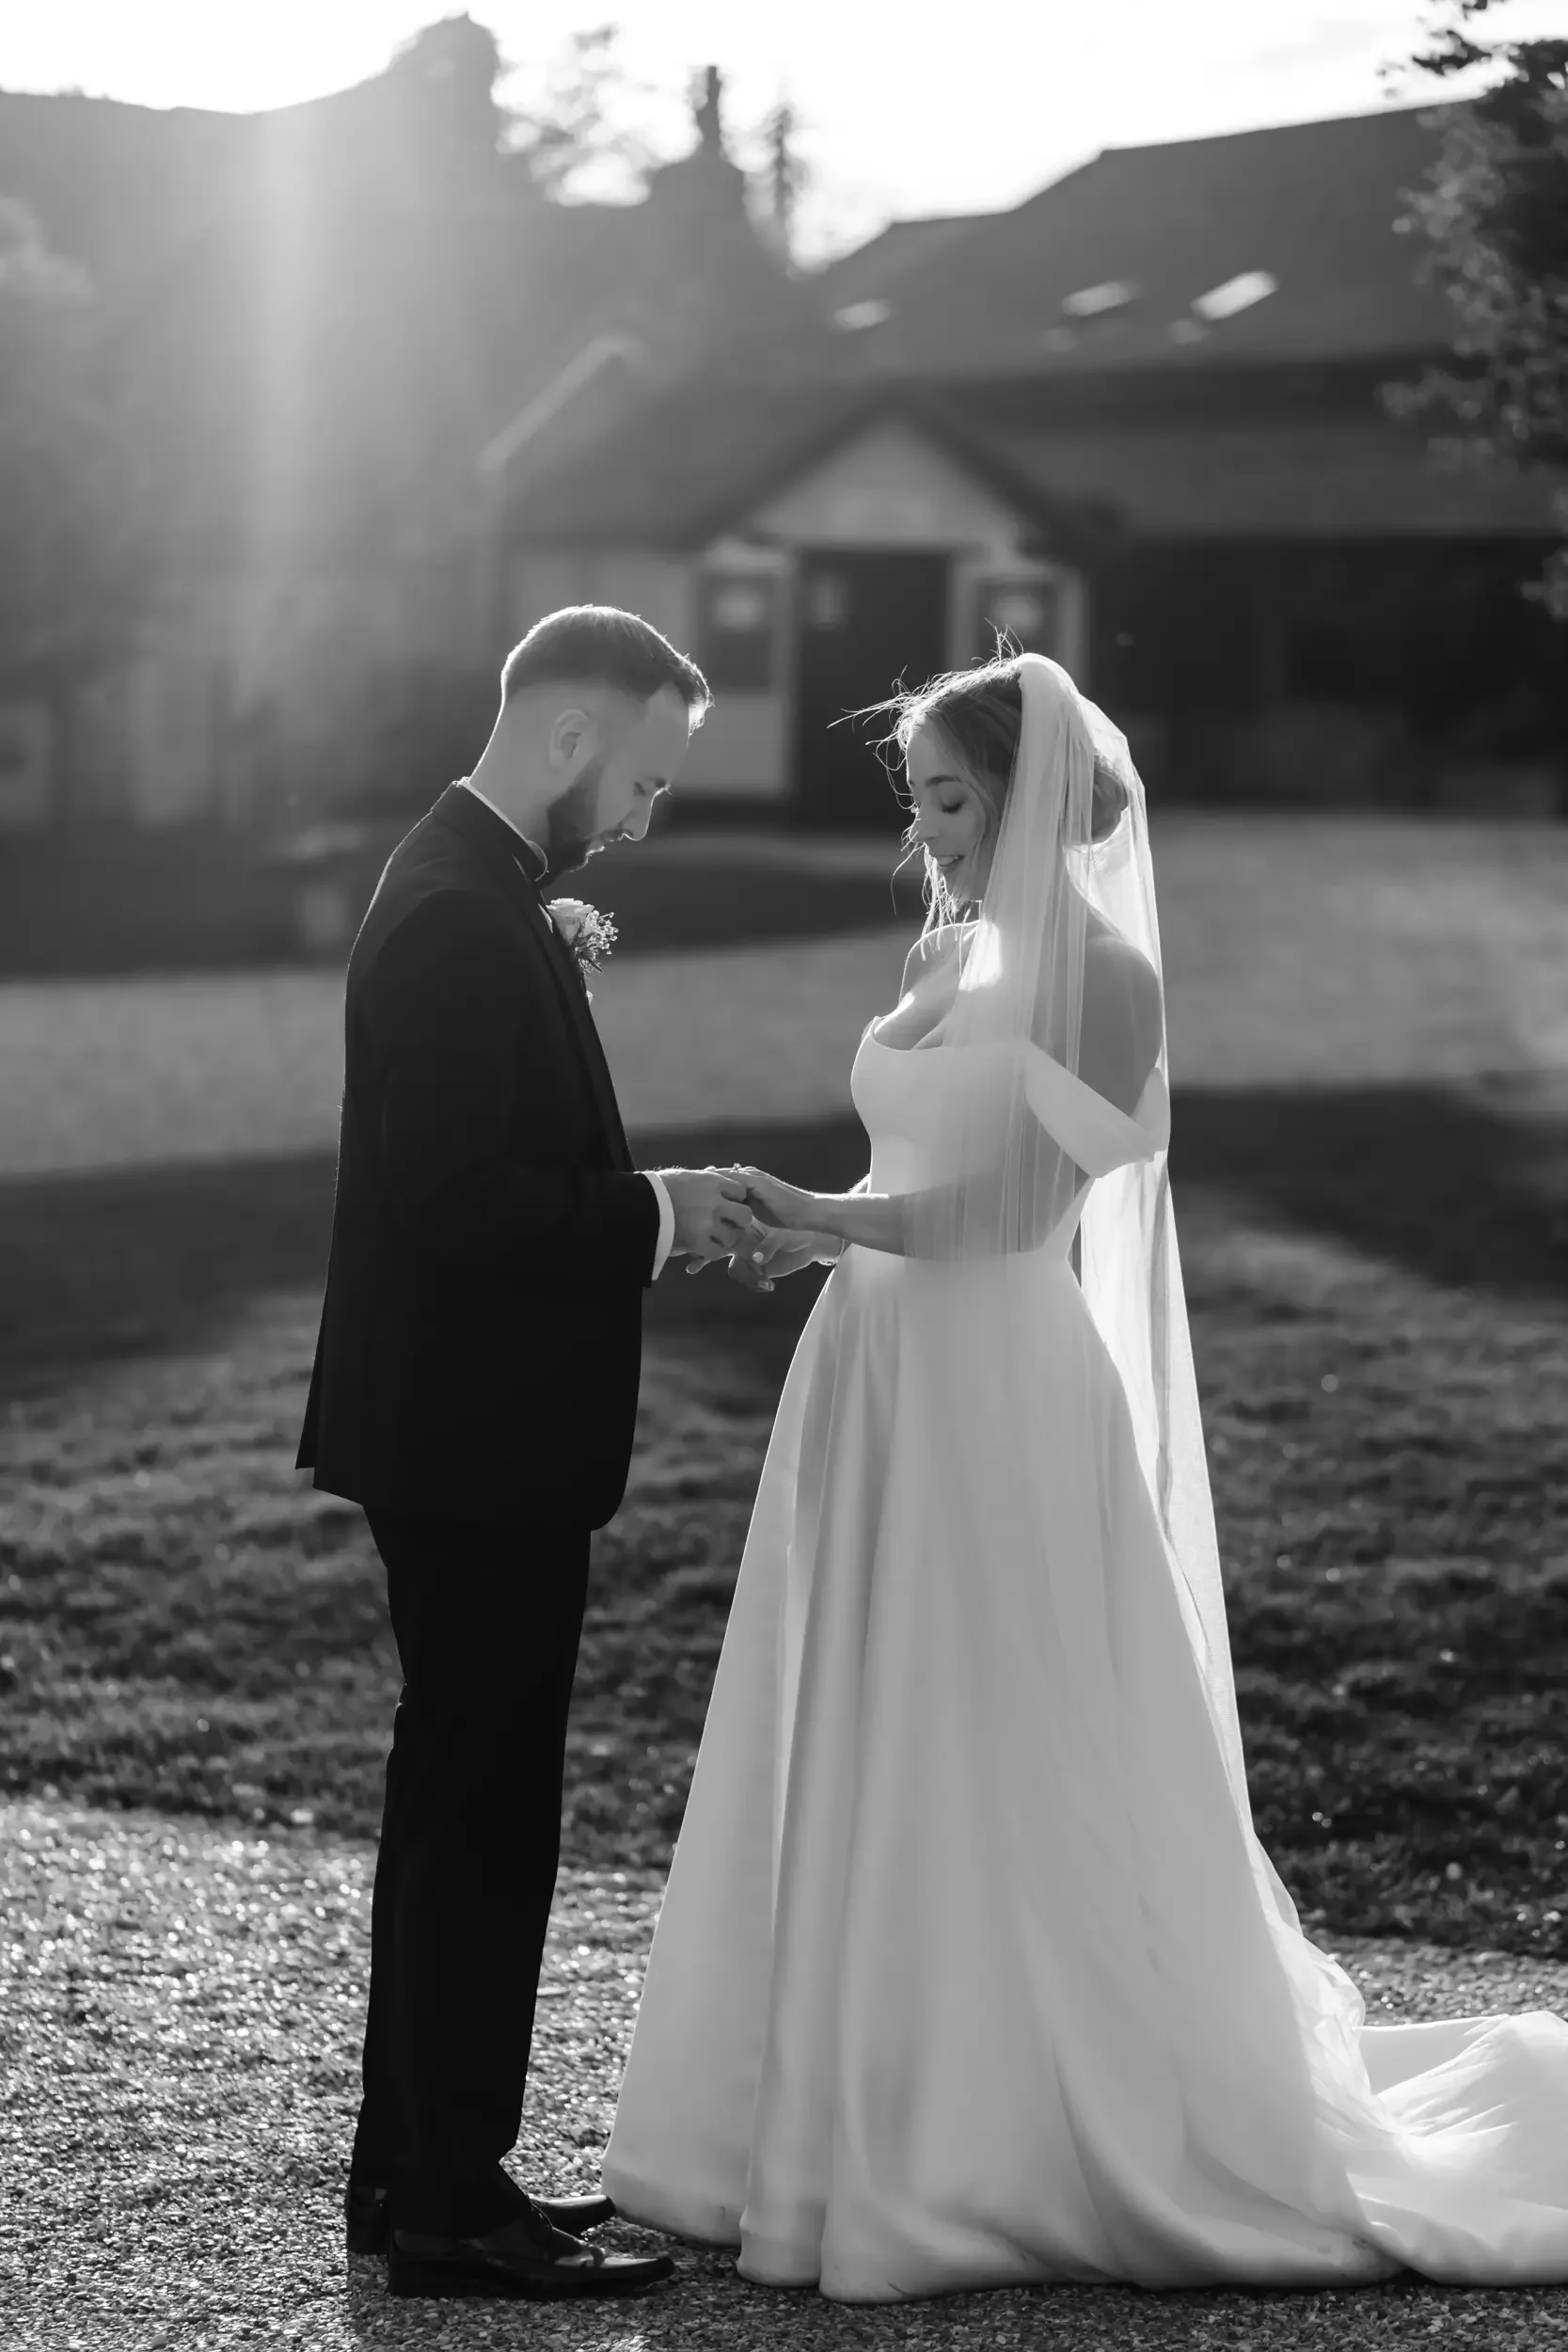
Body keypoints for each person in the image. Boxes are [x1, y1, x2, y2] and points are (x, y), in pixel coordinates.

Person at [600, 648, 1568, 2301]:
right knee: (866, 1708)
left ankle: (993, 2130)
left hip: (996, 1381)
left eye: (953, 800)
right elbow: (919, 1170)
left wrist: (824, 1218)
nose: (930, 835)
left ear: (1033, 792)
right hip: (875, 1366)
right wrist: (810, 1232)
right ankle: (835, 2105)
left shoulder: (1105, 976)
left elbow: (1010, 1217)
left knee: (995, 1716)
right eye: (915, 803)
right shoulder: (942, 948)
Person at [297, 605, 762, 2301]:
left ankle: (416, 2174)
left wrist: (657, 1202)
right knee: (482, 1814)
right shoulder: (449, 913)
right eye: (641, 777)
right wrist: (656, 1211)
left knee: (462, 1805)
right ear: (569, 739)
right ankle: (449, 2211)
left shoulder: (480, 884)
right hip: (471, 1438)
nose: (642, 817)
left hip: (473, 1430)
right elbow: (451, 1203)